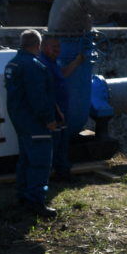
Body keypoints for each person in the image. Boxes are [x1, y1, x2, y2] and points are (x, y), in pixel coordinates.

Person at [4, 29, 59, 218]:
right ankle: (35, 201)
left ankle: (23, 196)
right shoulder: (33, 66)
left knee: (26, 160)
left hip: (20, 120)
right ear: (38, 45)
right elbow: (38, 97)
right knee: (40, 162)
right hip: (35, 122)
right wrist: (49, 119)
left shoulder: (13, 63)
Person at [38, 35, 85, 182]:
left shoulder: (52, 62)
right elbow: (46, 92)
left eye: (59, 47)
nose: (58, 50)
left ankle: (62, 172)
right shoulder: (42, 63)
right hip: (55, 112)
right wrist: (57, 112)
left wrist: (77, 62)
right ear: (44, 47)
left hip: (62, 111)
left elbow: (63, 74)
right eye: (54, 47)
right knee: (55, 144)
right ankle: (53, 174)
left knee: (62, 143)